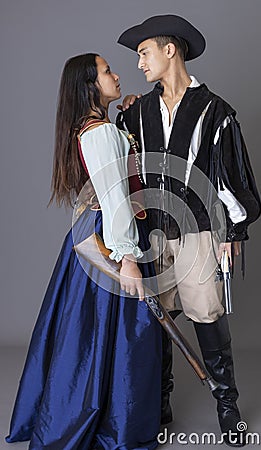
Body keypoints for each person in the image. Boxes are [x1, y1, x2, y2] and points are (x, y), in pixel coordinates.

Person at [116, 15, 261, 447]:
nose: (139, 64)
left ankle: (226, 403)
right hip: (153, 233)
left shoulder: (215, 111)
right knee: (159, 320)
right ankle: (160, 403)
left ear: (169, 50)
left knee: (208, 314)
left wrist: (233, 231)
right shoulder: (138, 111)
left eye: (143, 53)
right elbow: (121, 164)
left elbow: (230, 176)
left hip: (199, 231)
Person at [5, 53, 162, 450]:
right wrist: (127, 259)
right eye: (108, 71)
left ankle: (92, 409)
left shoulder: (93, 128)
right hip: (111, 238)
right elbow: (114, 200)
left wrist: (126, 117)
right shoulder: (101, 133)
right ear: (91, 85)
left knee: (88, 332)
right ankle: (118, 424)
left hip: (94, 235)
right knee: (124, 332)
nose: (116, 75)